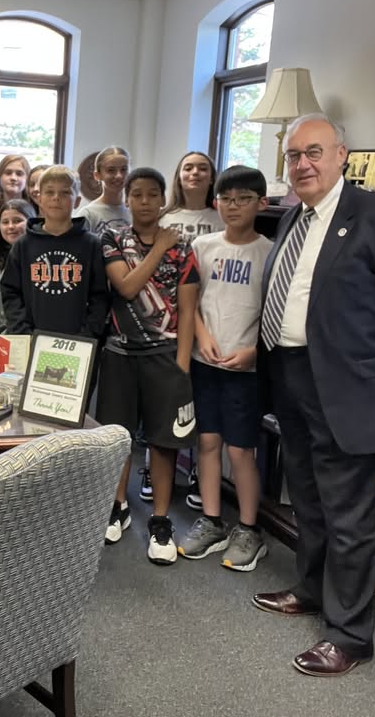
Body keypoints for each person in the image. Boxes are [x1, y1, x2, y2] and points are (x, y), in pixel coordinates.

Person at [254, 114, 375, 677]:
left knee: (352, 512)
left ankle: (350, 634)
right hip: (291, 377)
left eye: (314, 152)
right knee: (307, 497)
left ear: (342, 155)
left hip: (349, 389)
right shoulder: (294, 216)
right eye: (293, 155)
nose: (302, 164)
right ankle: (312, 589)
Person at [96, 167, 199, 560]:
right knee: (118, 438)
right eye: (136, 194)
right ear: (127, 199)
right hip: (120, 355)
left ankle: (160, 519)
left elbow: (188, 308)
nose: (144, 201)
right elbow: (126, 286)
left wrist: (183, 364)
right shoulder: (112, 237)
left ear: (163, 199)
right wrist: (159, 247)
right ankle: (118, 505)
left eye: (152, 194)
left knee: (163, 441)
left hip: (165, 357)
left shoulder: (184, 247)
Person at [178, 165, 272, 571]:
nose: (233, 207)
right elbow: (190, 303)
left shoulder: (269, 252)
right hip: (206, 364)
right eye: (226, 199)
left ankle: (250, 528)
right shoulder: (202, 246)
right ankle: (212, 520)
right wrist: (200, 336)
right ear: (216, 202)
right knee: (208, 442)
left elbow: (277, 313)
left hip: (246, 370)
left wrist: (254, 352)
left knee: (240, 449)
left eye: (244, 199)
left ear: (261, 203)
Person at [156, 150, 223, 509]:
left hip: (213, 317)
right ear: (178, 175)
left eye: (202, 168)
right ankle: (154, 470)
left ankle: (198, 472)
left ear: (212, 176)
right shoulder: (165, 217)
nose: (195, 173)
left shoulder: (222, 215)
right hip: (168, 323)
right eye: (188, 167)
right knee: (165, 400)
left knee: (202, 403)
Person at [1, 166, 108, 339]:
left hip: (78, 342)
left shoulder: (91, 245)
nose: (56, 198)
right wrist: (23, 331)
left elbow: (100, 296)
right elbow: (10, 292)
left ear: (77, 201)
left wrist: (87, 334)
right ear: (39, 198)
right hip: (32, 338)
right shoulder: (23, 245)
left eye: (65, 192)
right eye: (49, 192)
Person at [0, 199, 36, 326]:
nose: (11, 227)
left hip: (30, 328)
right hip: (1, 328)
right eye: (5, 222)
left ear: (31, 221)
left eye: (17, 221)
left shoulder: (40, 257)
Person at [159, 151, 223, 244]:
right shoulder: (161, 218)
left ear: (211, 179)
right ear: (179, 179)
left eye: (203, 169)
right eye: (188, 169)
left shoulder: (223, 219)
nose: (195, 172)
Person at [77, 146, 130, 234]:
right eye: (111, 170)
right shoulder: (88, 214)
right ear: (97, 175)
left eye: (123, 169)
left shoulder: (134, 212)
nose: (119, 176)